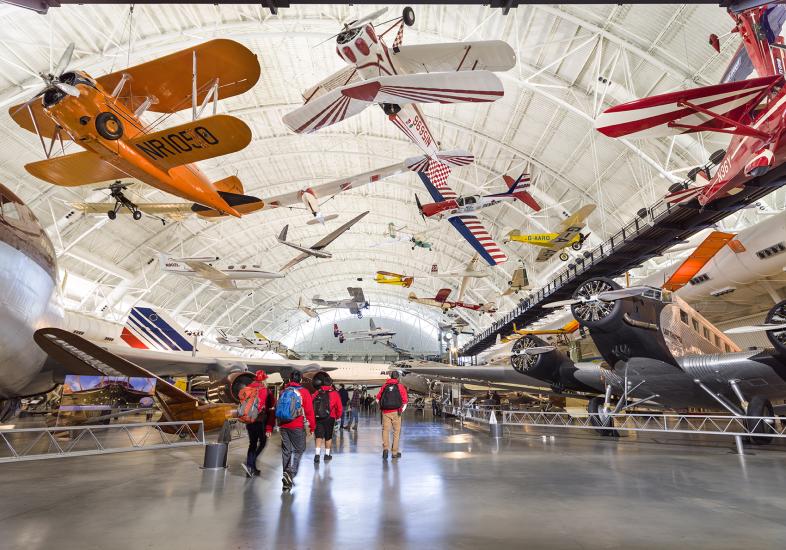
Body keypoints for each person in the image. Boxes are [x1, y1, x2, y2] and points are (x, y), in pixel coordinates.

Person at [276, 371, 315, 492]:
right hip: (297, 425)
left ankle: (286, 480)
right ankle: (291, 473)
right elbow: (309, 411)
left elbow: (277, 408)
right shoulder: (304, 392)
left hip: (283, 425)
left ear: (289, 379)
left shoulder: (283, 391)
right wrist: (312, 426)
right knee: (300, 449)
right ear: (301, 380)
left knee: (286, 451)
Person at [239, 370, 276, 477]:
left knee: (253, 443)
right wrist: (270, 426)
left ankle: (252, 467)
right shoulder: (265, 390)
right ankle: (250, 464)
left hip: (249, 419)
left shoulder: (248, 388)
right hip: (259, 420)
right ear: (264, 380)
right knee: (263, 442)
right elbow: (271, 407)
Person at [376, 371, 408, 460]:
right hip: (396, 412)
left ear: (390, 376)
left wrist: (382, 408)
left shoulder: (384, 386)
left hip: (386, 412)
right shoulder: (400, 386)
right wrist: (401, 410)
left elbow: (377, 399)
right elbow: (405, 400)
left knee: (385, 430)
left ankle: (385, 449)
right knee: (396, 432)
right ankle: (394, 452)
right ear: (397, 378)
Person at [313, 377, 342, 463]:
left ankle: (317, 455)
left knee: (318, 436)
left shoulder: (317, 392)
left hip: (318, 417)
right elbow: (339, 408)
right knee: (328, 437)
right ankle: (327, 455)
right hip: (330, 417)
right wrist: (338, 416)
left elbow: (312, 402)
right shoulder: (335, 393)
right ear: (330, 384)